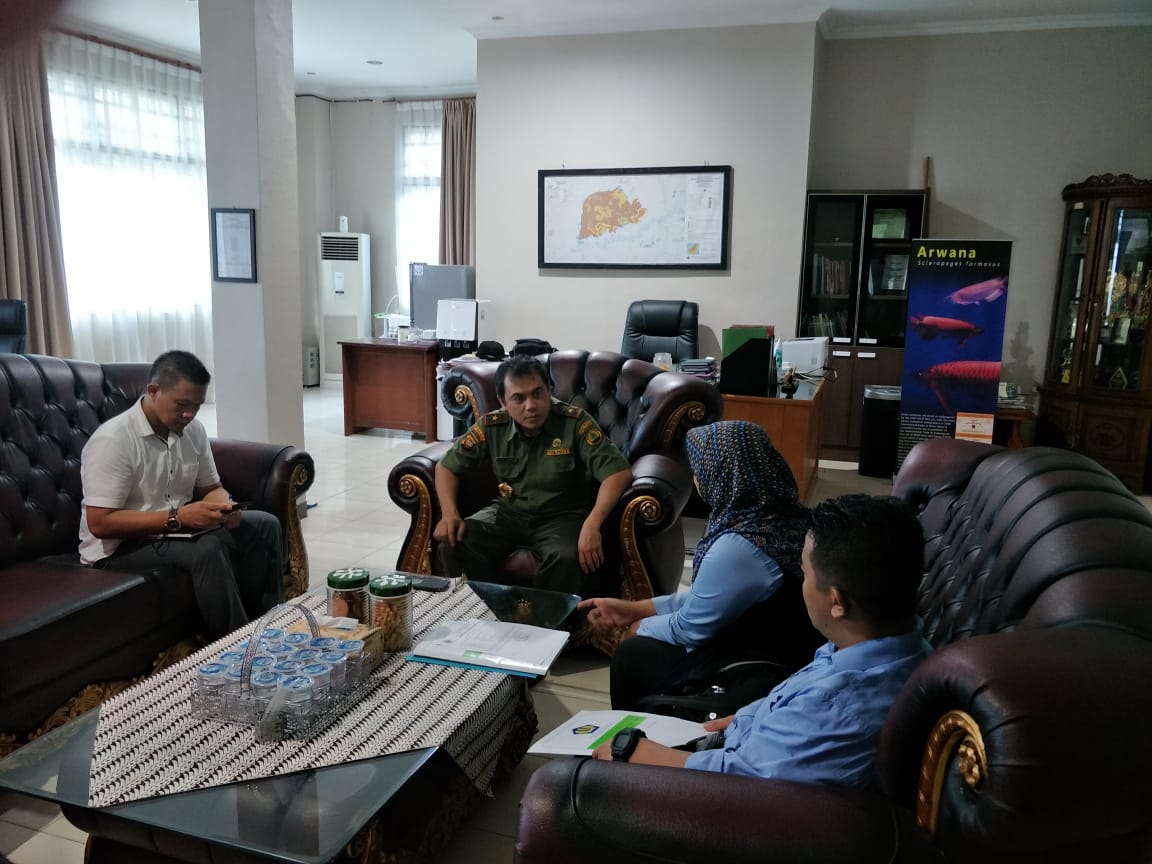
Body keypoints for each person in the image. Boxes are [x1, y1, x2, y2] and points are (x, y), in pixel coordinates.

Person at [593, 493, 930, 789]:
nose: (802, 584)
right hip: (738, 742)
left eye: (805, 573)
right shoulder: (884, 646)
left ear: (837, 602)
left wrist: (637, 753)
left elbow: (739, 781)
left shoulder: (836, 704)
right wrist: (740, 720)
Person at [580, 420, 822, 711]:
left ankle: (633, 735)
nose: (696, 478)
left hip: (760, 666)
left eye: (698, 469)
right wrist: (635, 608)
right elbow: (710, 599)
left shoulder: (739, 545)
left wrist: (638, 626)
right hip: (786, 646)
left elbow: (690, 629)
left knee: (633, 652)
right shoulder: (784, 516)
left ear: (719, 474)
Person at [79, 350, 284, 639]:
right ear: (153, 391)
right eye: (182, 405)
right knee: (206, 549)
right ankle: (236, 648)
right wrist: (177, 518)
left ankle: (271, 631)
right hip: (120, 546)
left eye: (197, 406)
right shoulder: (114, 440)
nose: (190, 414)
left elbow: (209, 488)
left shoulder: (193, 431)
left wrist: (225, 507)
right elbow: (100, 523)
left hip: (173, 530)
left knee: (265, 525)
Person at [434, 355, 633, 597]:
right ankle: (484, 609)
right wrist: (449, 513)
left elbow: (618, 472)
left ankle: (549, 619)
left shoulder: (574, 423)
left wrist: (593, 524)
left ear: (549, 389)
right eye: (518, 398)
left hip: (562, 516)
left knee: (565, 556)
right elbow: (446, 467)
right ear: (503, 401)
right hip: (508, 512)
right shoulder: (492, 426)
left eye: (538, 393)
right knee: (454, 540)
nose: (531, 405)